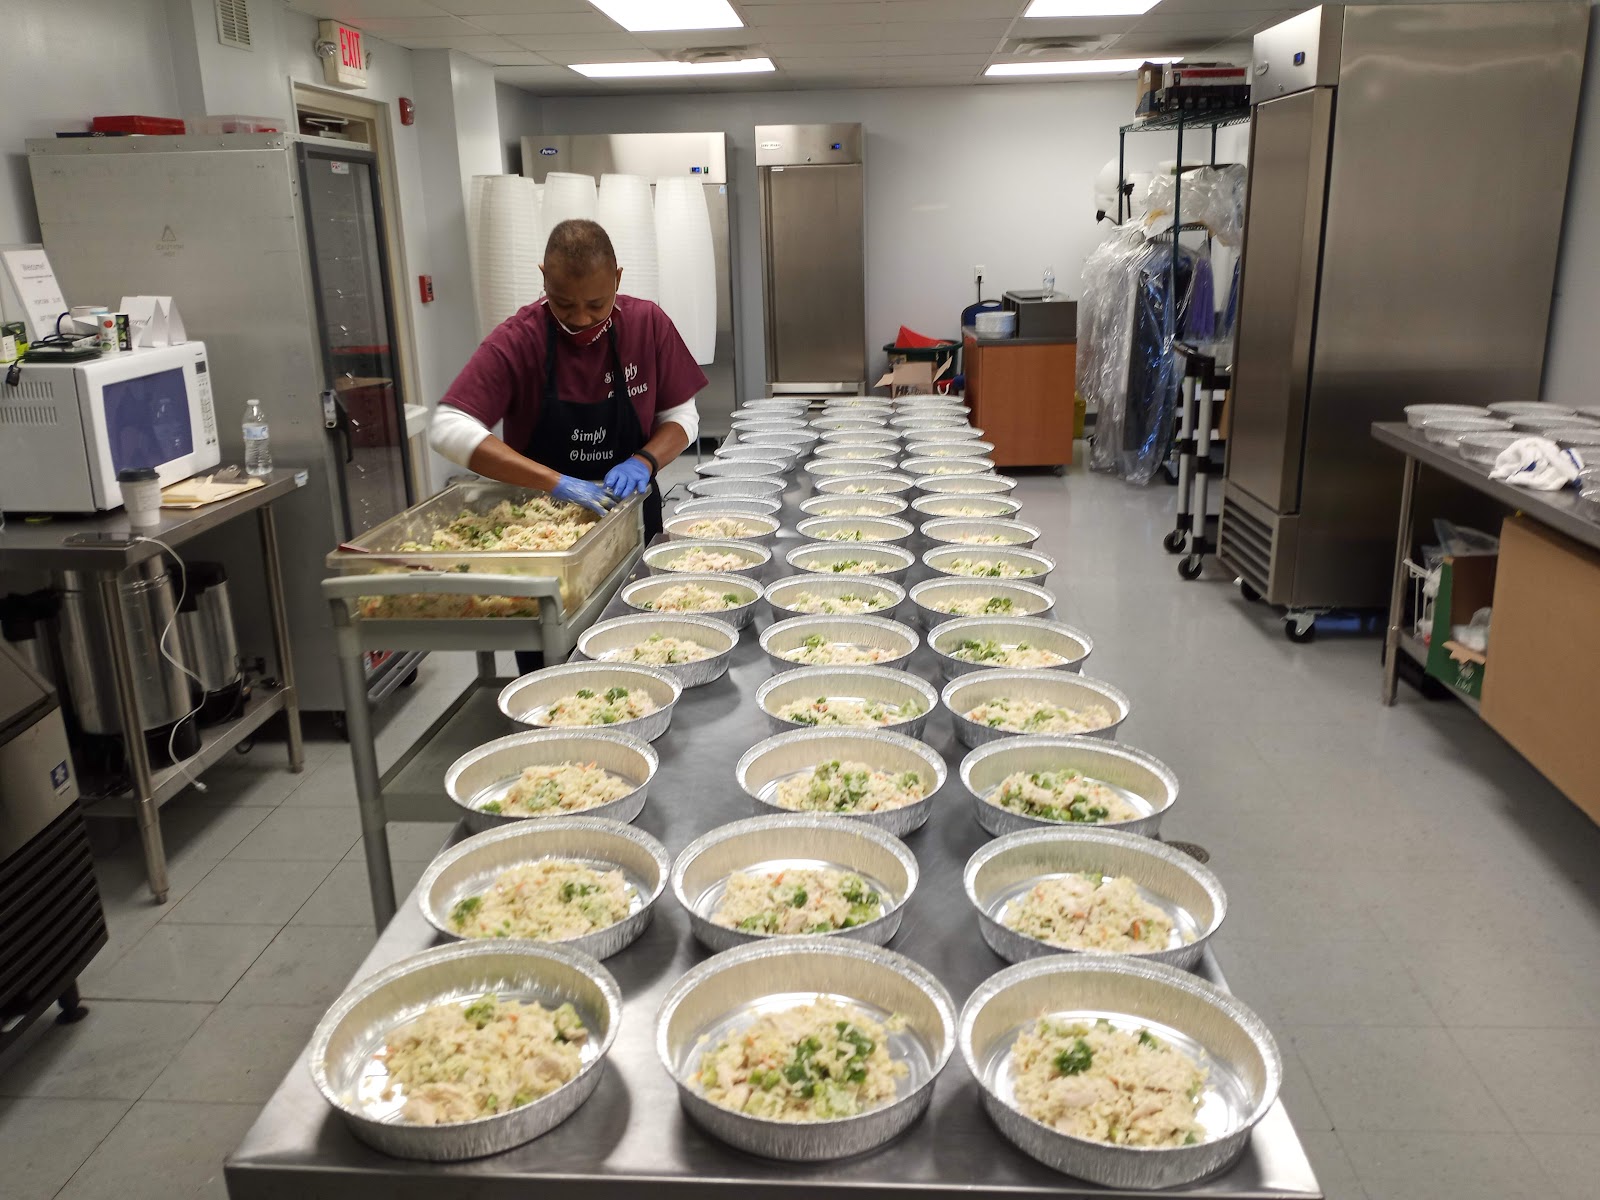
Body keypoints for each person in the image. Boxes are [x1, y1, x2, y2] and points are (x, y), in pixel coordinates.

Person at [430, 217, 707, 670]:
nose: (580, 319)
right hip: (545, 535)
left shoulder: (646, 324)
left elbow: (682, 417)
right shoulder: (519, 340)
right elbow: (447, 427)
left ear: (618, 279)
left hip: (631, 516)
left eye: (596, 304)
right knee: (551, 667)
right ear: (544, 278)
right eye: (563, 303)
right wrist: (555, 482)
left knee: (645, 647)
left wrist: (644, 460)